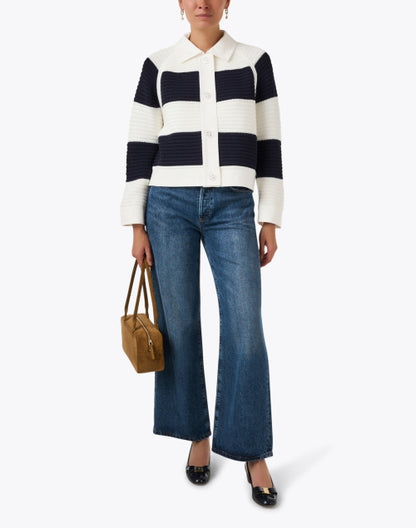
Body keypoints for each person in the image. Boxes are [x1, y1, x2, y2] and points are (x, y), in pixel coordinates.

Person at [120, 0, 284, 507]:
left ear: (228, 2)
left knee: (245, 328)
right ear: (179, 3)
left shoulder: (254, 61)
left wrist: (270, 215)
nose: (202, 3)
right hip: (167, 207)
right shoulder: (158, 64)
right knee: (180, 325)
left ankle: (251, 450)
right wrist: (136, 222)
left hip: (234, 206)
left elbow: (269, 143)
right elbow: (140, 143)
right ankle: (197, 435)